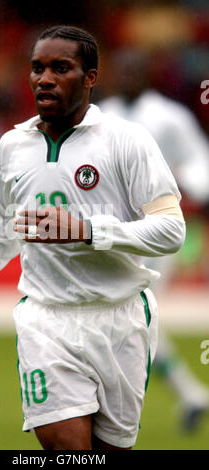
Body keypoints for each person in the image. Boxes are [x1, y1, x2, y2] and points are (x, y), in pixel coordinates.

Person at [0, 26, 186, 450]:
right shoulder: (11, 147)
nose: (44, 78)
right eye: (37, 68)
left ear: (91, 77)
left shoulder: (126, 141)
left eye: (61, 68)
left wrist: (87, 231)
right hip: (45, 319)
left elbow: (171, 230)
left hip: (121, 319)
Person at [98, 48, 209, 432]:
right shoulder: (102, 115)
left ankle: (107, 406)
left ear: (147, 75)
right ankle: (190, 394)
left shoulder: (169, 117)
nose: (126, 76)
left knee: (132, 312)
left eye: (134, 69)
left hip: (154, 228)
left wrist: (186, 183)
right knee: (132, 319)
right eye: (122, 69)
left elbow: (200, 161)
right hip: (112, 229)